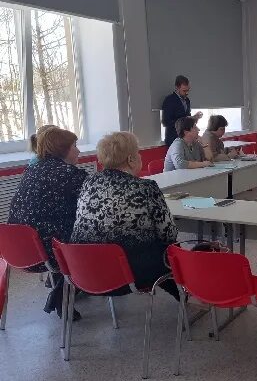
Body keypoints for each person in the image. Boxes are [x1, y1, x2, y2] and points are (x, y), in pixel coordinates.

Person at [71, 132, 179, 299]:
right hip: (128, 273)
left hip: (85, 269)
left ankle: (180, 293)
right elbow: (168, 235)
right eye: (138, 152)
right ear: (130, 159)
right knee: (170, 250)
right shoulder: (146, 187)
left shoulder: (89, 182)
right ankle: (184, 294)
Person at [8, 127, 88, 318]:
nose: (79, 151)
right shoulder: (70, 175)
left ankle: (61, 288)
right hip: (51, 251)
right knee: (96, 234)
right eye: (75, 146)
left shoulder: (32, 170)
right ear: (64, 150)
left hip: (20, 250)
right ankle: (64, 292)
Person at [162, 75, 202, 147]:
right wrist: (185, 120)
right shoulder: (169, 100)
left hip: (186, 138)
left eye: (188, 90)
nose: (187, 93)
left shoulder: (187, 100)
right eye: (184, 90)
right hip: (173, 139)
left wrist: (194, 118)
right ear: (177, 88)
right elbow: (166, 122)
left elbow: (186, 118)